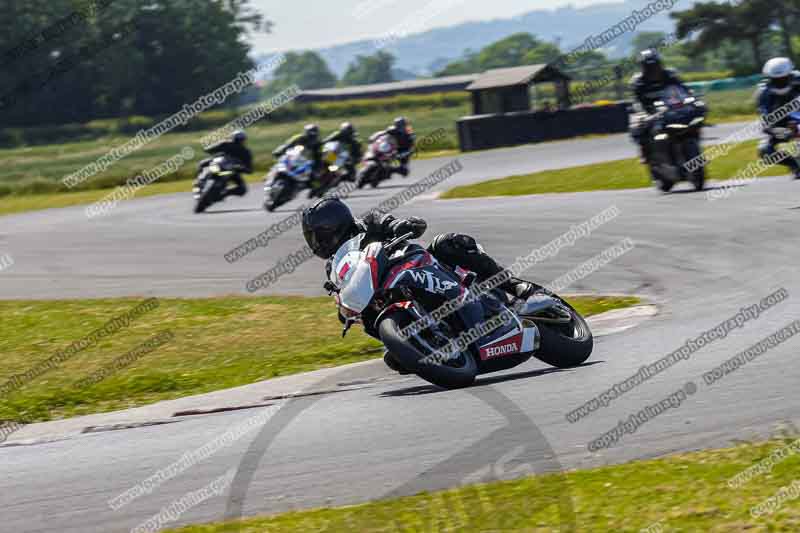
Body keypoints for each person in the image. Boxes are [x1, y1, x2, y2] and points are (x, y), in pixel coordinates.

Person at [302, 198, 536, 301]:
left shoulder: (370, 224)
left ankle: (511, 284)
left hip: (418, 267)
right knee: (394, 359)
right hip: (384, 294)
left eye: (318, 234)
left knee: (448, 243)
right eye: (311, 236)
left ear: (335, 225)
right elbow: (344, 295)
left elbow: (390, 222)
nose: (316, 242)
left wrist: (401, 226)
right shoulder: (332, 267)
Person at [629, 49, 691, 163]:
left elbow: (685, 90)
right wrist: (643, 113)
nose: (653, 70)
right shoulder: (637, 81)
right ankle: (644, 150)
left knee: (694, 115)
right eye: (649, 67)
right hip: (650, 111)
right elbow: (637, 101)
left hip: (673, 107)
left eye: (655, 66)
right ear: (643, 67)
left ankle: (692, 143)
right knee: (636, 125)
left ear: (660, 64)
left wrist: (690, 99)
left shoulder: (670, 74)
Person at [756, 57, 800, 179]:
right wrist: (776, 130)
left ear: (790, 74)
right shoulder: (763, 91)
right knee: (765, 151)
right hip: (782, 125)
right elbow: (764, 118)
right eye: (776, 79)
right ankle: (794, 165)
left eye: (783, 78)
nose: (780, 82)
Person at [200, 130, 252, 198]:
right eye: (237, 140)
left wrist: (240, 168)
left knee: (242, 189)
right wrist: (215, 151)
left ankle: (223, 193)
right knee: (203, 163)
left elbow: (249, 169)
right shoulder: (225, 144)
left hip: (231, 171)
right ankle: (200, 181)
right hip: (218, 163)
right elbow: (208, 149)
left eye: (240, 140)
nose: (238, 142)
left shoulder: (246, 152)